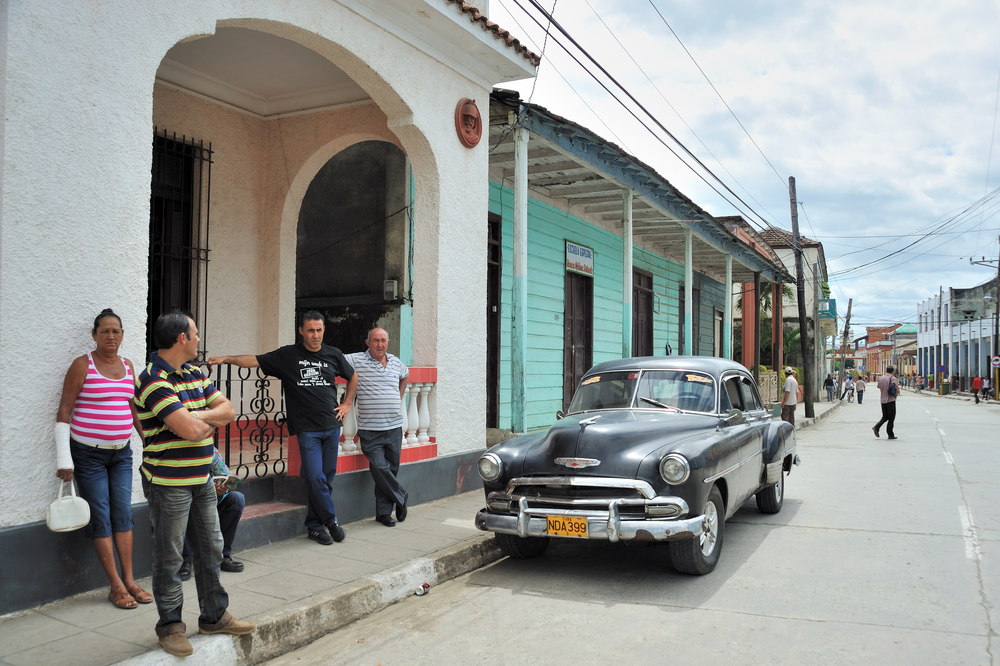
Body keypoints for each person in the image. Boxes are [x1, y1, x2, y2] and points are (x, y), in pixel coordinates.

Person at [136, 310, 254, 657]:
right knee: (169, 557)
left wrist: (196, 416)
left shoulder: (193, 372)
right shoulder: (152, 380)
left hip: (202, 476)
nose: (200, 339)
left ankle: (214, 615)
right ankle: (170, 626)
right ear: (181, 339)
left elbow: (228, 411)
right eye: (196, 334)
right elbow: (188, 431)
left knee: (212, 548)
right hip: (168, 481)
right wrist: (201, 420)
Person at [208, 311, 357, 546]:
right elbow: (254, 360)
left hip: (331, 426)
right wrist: (226, 358)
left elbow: (353, 376)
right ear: (301, 331)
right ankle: (331, 521)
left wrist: (347, 403)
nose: (315, 335)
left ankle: (315, 527)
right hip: (307, 429)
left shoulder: (333, 354)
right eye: (310, 330)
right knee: (316, 477)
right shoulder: (289, 355)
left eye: (319, 330)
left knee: (326, 479)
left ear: (323, 330)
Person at [55, 308, 152, 610]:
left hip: (121, 453)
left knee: (123, 513)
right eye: (105, 331)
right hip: (88, 455)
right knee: (101, 516)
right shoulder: (82, 365)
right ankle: (116, 585)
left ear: (122, 336)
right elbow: (64, 412)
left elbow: (134, 408)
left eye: (116, 331)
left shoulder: (128, 365)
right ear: (94, 335)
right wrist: (64, 459)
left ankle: (131, 580)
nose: (111, 336)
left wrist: (148, 440)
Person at [346, 328, 409, 527]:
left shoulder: (396, 362)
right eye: (375, 340)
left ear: (388, 342)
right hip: (370, 429)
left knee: (390, 469)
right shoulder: (356, 360)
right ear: (367, 342)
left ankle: (383, 514)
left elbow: (406, 375)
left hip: (394, 427)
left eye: (383, 341)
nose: (379, 344)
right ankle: (401, 496)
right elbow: (333, 359)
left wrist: (398, 396)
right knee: (381, 468)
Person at [179, 450, 245, 580]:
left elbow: (225, 473)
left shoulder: (210, 450)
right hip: (189, 499)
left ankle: (223, 556)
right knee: (182, 505)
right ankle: (185, 561)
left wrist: (225, 486)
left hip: (210, 500)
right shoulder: (180, 451)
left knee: (237, 499)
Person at [872, 365, 899, 440]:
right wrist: (895, 396)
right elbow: (896, 389)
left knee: (885, 417)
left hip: (883, 400)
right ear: (892, 371)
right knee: (891, 418)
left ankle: (876, 427)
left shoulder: (881, 378)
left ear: (886, 370)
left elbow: (879, 387)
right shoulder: (893, 378)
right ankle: (890, 434)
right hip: (891, 400)